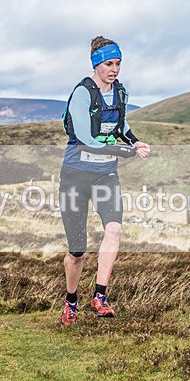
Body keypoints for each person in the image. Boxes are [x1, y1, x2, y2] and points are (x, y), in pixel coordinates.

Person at [59, 36, 151, 326]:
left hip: (105, 175)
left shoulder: (120, 92)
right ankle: (71, 301)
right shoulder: (83, 93)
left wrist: (134, 142)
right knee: (77, 251)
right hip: (75, 174)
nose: (114, 69)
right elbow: (85, 138)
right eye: (109, 64)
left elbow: (121, 124)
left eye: (118, 63)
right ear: (96, 64)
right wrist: (119, 150)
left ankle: (99, 295)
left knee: (114, 230)